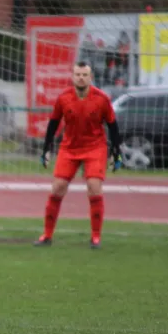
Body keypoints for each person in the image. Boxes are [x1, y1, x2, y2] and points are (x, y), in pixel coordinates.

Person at [35, 61, 122, 249]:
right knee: (57, 187)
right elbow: (53, 124)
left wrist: (117, 153)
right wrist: (46, 149)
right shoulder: (63, 98)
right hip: (69, 148)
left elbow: (112, 126)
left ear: (91, 77)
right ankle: (47, 236)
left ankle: (95, 238)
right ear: (72, 77)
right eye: (78, 74)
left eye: (84, 75)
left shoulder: (101, 98)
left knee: (93, 186)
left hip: (95, 147)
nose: (81, 78)